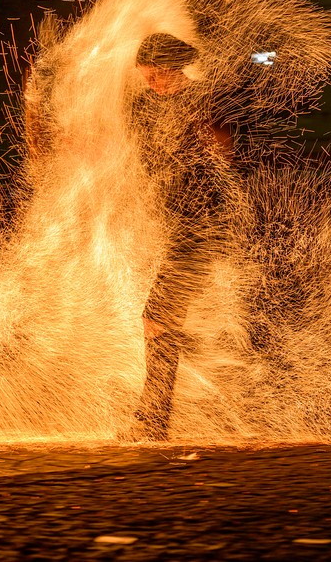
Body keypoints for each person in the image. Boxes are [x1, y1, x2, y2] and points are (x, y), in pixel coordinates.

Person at [129, 32, 234, 441]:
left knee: (157, 319)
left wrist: (210, 145)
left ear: (172, 67)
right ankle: (157, 414)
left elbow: (224, 153)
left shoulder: (201, 101)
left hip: (202, 231)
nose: (150, 84)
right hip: (182, 232)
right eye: (145, 77)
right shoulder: (158, 106)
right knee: (163, 321)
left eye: (154, 75)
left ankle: (153, 418)